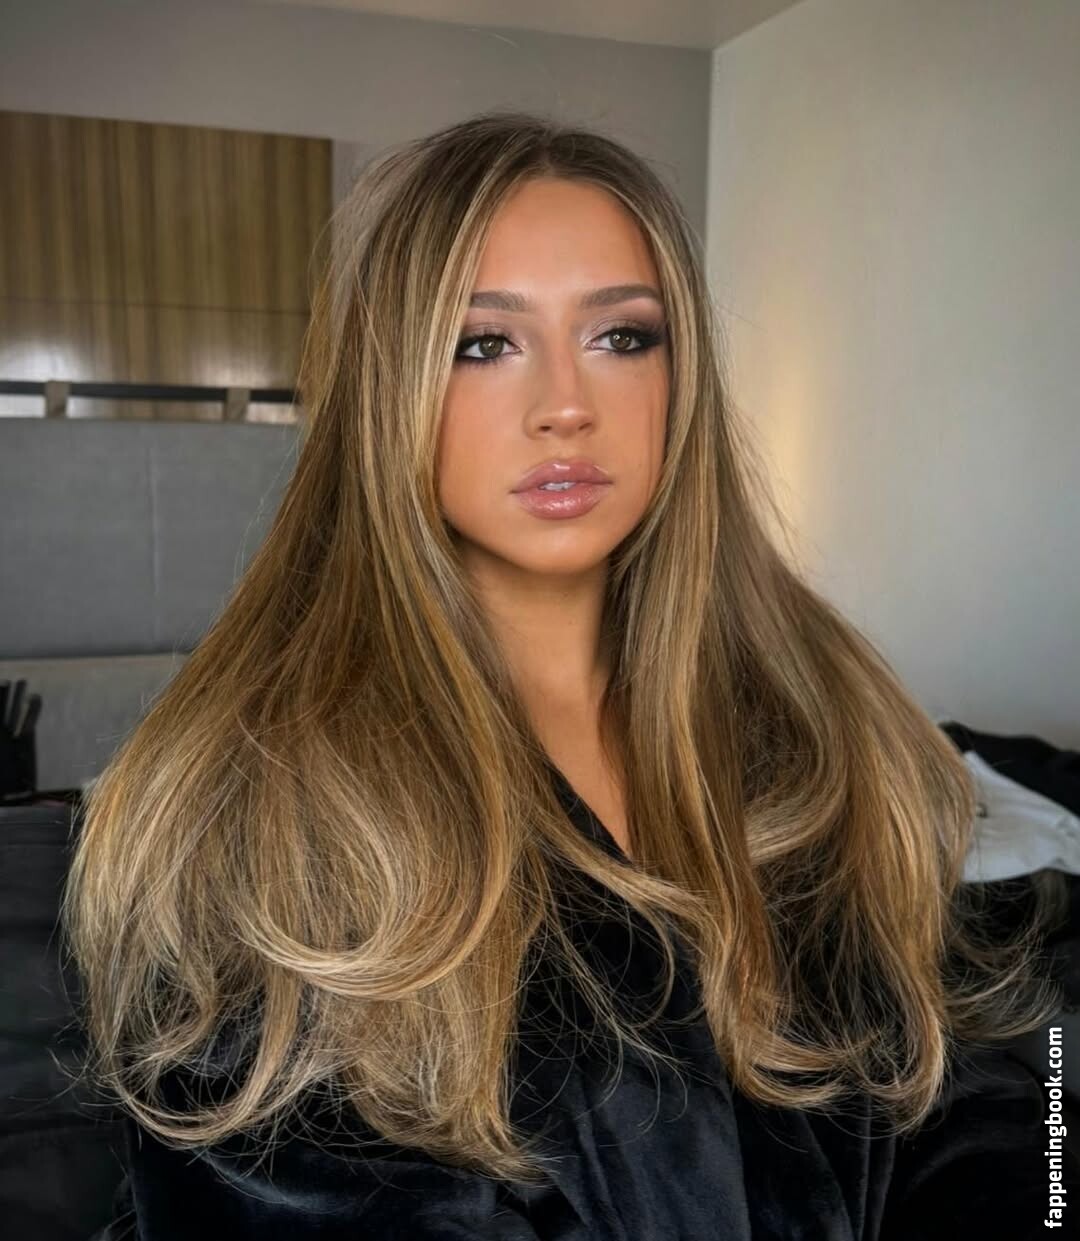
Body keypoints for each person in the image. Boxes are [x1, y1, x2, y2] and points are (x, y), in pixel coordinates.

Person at [64, 110, 1077, 1239]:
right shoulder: (258, 802)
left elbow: (990, 1083)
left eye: (622, 337)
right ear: (386, 385)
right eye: (482, 344)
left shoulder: (825, 714)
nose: (565, 406)